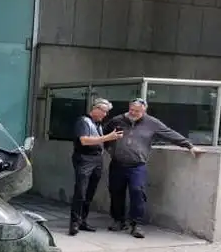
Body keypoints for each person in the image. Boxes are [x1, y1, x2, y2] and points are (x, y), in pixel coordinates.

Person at [102, 98, 200, 239]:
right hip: (117, 163)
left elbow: (169, 133)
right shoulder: (117, 120)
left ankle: (137, 224)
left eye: (137, 111)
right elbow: (103, 133)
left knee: (137, 191)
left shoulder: (152, 123)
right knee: (116, 191)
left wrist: (189, 145)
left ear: (144, 111)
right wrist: (108, 149)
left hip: (137, 165)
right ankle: (118, 220)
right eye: (131, 110)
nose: (133, 113)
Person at [69, 97, 122, 236]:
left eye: (107, 112)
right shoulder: (83, 121)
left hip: (97, 159)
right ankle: (74, 222)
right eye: (104, 111)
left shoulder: (98, 124)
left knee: (90, 192)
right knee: (81, 191)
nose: (105, 114)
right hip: (85, 158)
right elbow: (84, 140)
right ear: (96, 108)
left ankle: (82, 220)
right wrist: (107, 138)